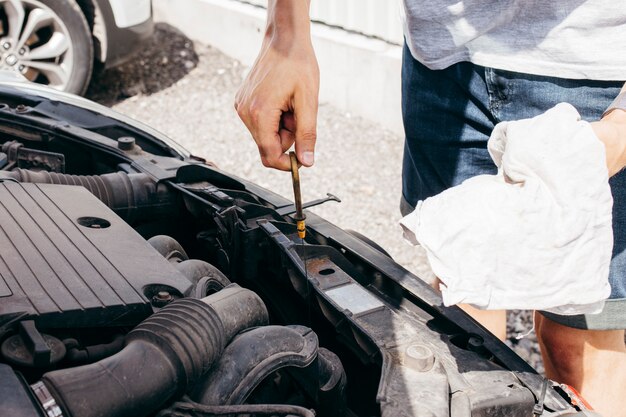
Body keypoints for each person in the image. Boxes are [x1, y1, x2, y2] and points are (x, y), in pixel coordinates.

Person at [234, 1, 626, 415]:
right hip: (442, 62)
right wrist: (286, 30)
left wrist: (620, 126)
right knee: (467, 322)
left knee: (577, 347)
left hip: (590, 75)